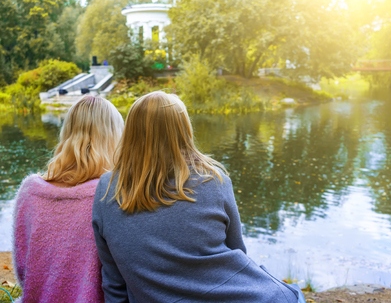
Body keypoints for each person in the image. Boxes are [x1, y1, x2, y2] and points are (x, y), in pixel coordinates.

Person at [92, 91, 305, 303]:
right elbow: (238, 251)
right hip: (239, 296)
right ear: (184, 130)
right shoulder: (213, 180)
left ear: (131, 132)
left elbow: (114, 281)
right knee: (293, 295)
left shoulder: (107, 188)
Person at [13, 96, 124, 303]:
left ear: (67, 133)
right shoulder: (112, 193)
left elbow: (22, 269)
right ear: (114, 138)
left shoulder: (30, 191)